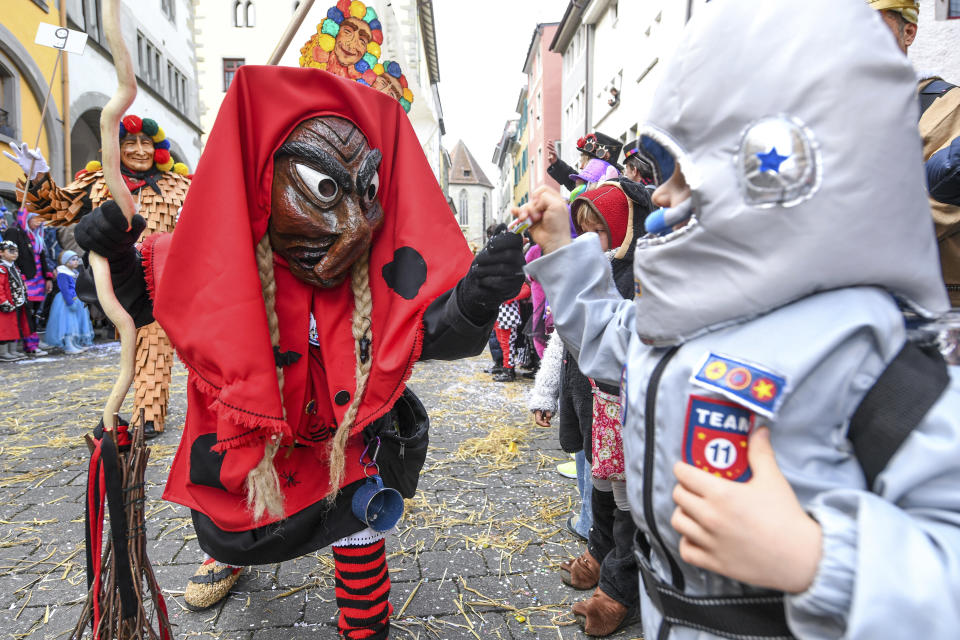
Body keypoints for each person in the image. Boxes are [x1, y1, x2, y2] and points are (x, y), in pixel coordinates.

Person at [516, 2, 960, 638]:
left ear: (762, 170)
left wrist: (816, 560)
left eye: (677, 174)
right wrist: (562, 249)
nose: (658, 199)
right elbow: (606, 340)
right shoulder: (682, 320)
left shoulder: (861, 347)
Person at [75, 65, 524, 639]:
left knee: (357, 518)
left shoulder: (373, 272)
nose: (357, 228)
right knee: (238, 512)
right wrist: (109, 252)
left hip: (338, 443)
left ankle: (365, 624)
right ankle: (230, 555)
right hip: (247, 443)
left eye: (367, 192)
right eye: (324, 190)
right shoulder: (217, 256)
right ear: (264, 179)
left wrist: (476, 297)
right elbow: (131, 299)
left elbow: (431, 332)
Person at [5, 117, 192, 438]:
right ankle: (131, 406)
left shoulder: (181, 184)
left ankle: (148, 413)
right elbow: (59, 208)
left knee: (153, 340)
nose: (138, 149)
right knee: (132, 344)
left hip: (163, 277)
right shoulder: (98, 180)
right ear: (116, 149)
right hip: (114, 278)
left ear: (157, 149)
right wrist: (37, 176)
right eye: (129, 143)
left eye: (145, 143)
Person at [530, 180, 651, 636]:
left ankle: (621, 587)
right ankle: (602, 557)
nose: (587, 243)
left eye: (597, 231)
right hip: (594, 403)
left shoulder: (636, 274)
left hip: (624, 409)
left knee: (626, 505)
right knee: (598, 489)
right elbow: (571, 336)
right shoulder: (596, 268)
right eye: (580, 231)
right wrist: (546, 392)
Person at [869, 0, 960, 305]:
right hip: (851, 307)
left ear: (909, 32)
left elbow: (937, 210)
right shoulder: (824, 108)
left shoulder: (949, 106)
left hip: (932, 308)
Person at [1, 210, 51, 356]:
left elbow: (42, 257)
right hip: (24, 278)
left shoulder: (38, 236)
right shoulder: (16, 232)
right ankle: (26, 344)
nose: (39, 222)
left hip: (38, 279)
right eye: (36, 218)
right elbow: (10, 254)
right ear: (26, 219)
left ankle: (32, 339)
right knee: (24, 312)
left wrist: (48, 277)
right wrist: (16, 276)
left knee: (35, 311)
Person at [44, 250, 94, 354]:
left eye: (77, 259)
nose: (76, 261)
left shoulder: (74, 273)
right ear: (66, 261)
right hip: (66, 301)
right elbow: (65, 289)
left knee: (75, 322)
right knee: (68, 323)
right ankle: (68, 345)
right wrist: (70, 302)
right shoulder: (63, 273)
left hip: (76, 300)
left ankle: (74, 343)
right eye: (73, 259)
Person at [547, 132, 623, 192]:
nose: (581, 167)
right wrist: (556, 163)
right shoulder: (586, 186)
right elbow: (572, 181)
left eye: (585, 162)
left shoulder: (614, 188)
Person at [0, 239, 29, 362]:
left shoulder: (14, 267)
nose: (15, 253)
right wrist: (3, 301)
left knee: (15, 326)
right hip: (6, 303)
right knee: (4, 328)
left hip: (16, 302)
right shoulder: (2, 268)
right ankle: (3, 352)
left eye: (16, 251)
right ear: (1, 252)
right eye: (11, 251)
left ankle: (13, 350)